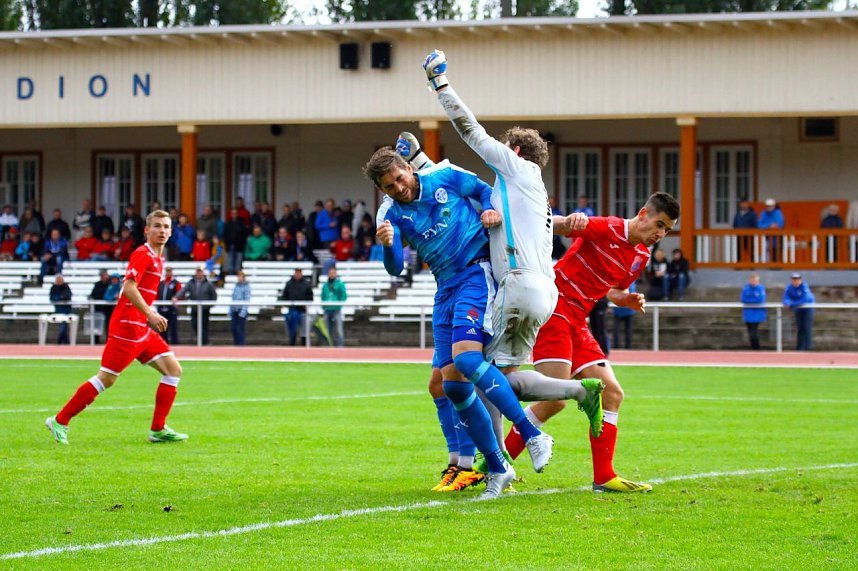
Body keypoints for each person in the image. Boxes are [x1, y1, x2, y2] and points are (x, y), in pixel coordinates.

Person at [365, 146, 553, 500]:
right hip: (444, 288)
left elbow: (484, 191)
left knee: (466, 360)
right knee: (451, 385)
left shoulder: (446, 176)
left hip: (475, 273)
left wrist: (490, 211)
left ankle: (532, 434)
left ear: (409, 169)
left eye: (400, 178)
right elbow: (395, 268)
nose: (399, 188)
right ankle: (498, 467)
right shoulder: (389, 214)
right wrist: (388, 246)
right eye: (389, 186)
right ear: (381, 189)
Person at [503, 191, 680, 493]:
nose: (660, 234)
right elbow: (555, 226)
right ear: (643, 214)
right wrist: (567, 220)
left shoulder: (641, 256)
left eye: (667, 230)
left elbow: (613, 290)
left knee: (612, 393)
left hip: (577, 321)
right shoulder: (607, 227)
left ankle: (604, 477)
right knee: (555, 399)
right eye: (659, 224)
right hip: (555, 309)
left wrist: (624, 299)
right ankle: (494, 465)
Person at [45, 210, 188, 445]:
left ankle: (158, 429)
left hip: (142, 328)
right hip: (127, 328)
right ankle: (60, 421)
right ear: (146, 230)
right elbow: (129, 288)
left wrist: (148, 315)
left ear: (171, 231)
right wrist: (151, 314)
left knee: (173, 370)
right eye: (157, 226)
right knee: (106, 379)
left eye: (165, 227)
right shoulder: (142, 254)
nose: (162, 231)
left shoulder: (158, 259)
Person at [174, 266, 218, 346]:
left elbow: (214, 295)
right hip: (194, 308)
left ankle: (204, 342)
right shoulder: (191, 282)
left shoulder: (208, 283)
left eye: (200, 271)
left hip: (204, 309)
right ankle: (203, 341)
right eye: (198, 271)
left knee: (204, 326)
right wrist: (176, 297)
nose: (199, 273)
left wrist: (210, 305)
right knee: (194, 324)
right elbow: (183, 290)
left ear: (203, 273)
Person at [280, 268, 313, 346]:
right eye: (296, 273)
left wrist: (306, 305)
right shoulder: (289, 284)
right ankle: (292, 340)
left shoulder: (306, 284)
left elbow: (310, 297)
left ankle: (303, 343)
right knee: (291, 320)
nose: (297, 275)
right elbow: (284, 296)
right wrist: (287, 304)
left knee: (304, 324)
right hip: (292, 309)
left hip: (303, 310)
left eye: (299, 273)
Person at [783, 273, 815, 351]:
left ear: (800, 280)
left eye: (797, 280)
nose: (795, 281)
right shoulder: (789, 287)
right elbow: (786, 297)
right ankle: (800, 348)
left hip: (807, 309)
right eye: (794, 280)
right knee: (800, 328)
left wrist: (792, 304)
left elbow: (805, 299)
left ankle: (808, 348)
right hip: (798, 309)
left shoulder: (804, 286)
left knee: (807, 328)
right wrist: (787, 303)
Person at [320, 266, 347, 347]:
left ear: (335, 274)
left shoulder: (340, 284)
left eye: (333, 273)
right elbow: (323, 296)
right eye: (330, 273)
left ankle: (340, 346)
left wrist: (339, 304)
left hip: (336, 309)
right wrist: (324, 306)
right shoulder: (325, 285)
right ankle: (328, 345)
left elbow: (344, 295)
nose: (331, 274)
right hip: (327, 309)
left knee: (339, 329)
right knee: (326, 329)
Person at [740, 273, 766, 350]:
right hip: (748, 314)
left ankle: (757, 349)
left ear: (758, 281)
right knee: (750, 333)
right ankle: (754, 349)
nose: (753, 282)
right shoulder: (746, 288)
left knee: (753, 333)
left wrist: (750, 300)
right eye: (752, 280)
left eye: (755, 281)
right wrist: (753, 300)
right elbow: (743, 299)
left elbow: (760, 299)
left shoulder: (760, 288)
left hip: (757, 314)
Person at [157, 267, 181, 345]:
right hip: (161, 308)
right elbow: (157, 294)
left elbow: (180, 293)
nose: (168, 273)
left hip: (172, 309)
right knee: (162, 329)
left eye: (169, 271)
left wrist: (177, 300)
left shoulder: (176, 283)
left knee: (173, 328)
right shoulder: (161, 283)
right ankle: (163, 344)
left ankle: (175, 344)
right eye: (167, 271)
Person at [88, 269, 112, 343]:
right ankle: (96, 341)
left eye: (104, 275)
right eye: (101, 275)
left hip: (108, 309)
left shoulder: (111, 284)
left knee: (108, 326)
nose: (102, 277)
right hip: (98, 308)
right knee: (96, 325)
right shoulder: (97, 284)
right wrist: (90, 297)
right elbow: (93, 294)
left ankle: (108, 341)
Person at [223, 207, 248, 274]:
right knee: (231, 265)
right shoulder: (228, 224)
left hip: (239, 247)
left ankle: (239, 278)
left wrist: (242, 244)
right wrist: (227, 245)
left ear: (237, 214)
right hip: (230, 246)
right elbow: (225, 235)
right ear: (231, 214)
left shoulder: (241, 223)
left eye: (235, 213)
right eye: (232, 213)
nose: (234, 215)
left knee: (238, 265)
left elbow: (244, 235)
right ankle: (231, 277)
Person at [49, 274, 73, 344]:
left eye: (60, 280)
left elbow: (68, 297)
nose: (59, 281)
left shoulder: (66, 287)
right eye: (58, 280)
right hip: (59, 310)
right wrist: (61, 298)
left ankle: (61, 341)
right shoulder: (53, 288)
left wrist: (60, 298)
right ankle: (65, 341)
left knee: (64, 325)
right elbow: (52, 298)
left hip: (66, 310)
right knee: (63, 325)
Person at [612, 282, 637, 349]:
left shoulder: (617, 282)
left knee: (618, 329)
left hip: (619, 309)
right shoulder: (631, 282)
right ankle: (627, 346)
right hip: (627, 309)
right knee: (627, 329)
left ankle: (618, 346)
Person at [758, 198, 785, 262]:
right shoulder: (763, 213)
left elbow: (780, 224)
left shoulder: (778, 213)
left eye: (770, 206)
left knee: (776, 251)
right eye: (767, 206)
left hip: (776, 237)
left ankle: (777, 264)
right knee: (767, 251)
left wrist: (773, 226)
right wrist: (768, 226)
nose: (769, 207)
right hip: (766, 236)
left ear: (774, 206)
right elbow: (759, 224)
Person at [229, 270, 251, 346]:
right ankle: (236, 344)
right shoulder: (236, 286)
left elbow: (247, 299)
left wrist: (243, 312)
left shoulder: (247, 287)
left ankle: (241, 345)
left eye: (240, 276)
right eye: (238, 276)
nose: (239, 278)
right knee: (234, 328)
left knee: (240, 329)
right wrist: (230, 310)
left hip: (241, 310)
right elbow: (233, 298)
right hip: (234, 310)